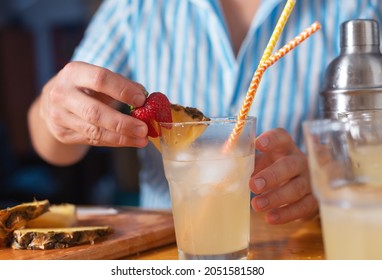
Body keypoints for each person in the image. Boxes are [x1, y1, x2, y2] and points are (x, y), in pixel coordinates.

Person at [27, 0, 382, 224]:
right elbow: (52, 145)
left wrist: (330, 181)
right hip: (167, 252)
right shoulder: (133, 7)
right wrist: (54, 112)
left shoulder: (361, 9)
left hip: (296, 247)